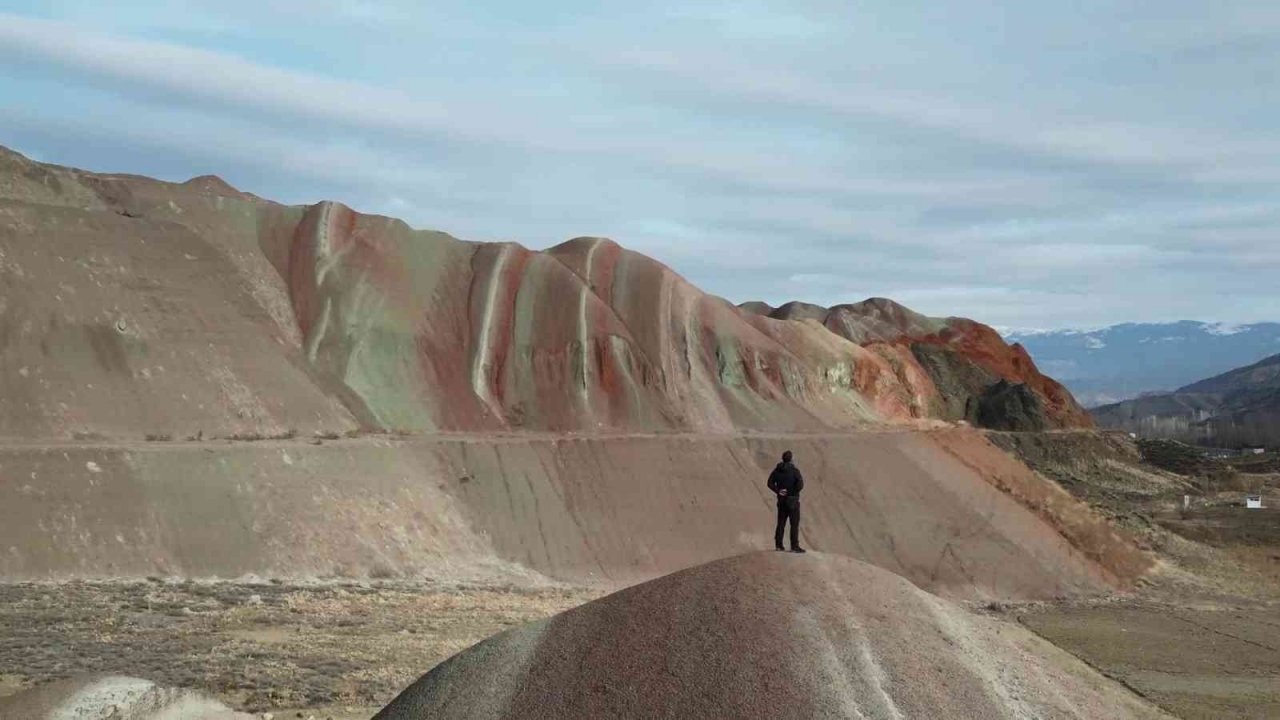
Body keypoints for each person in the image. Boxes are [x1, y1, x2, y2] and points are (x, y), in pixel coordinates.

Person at [767, 450, 805, 553]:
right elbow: (800, 485)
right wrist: (793, 492)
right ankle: (794, 546)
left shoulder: (777, 470)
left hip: (781, 500)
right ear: (791, 459)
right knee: (794, 524)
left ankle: (779, 545)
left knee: (781, 523)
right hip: (792, 500)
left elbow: (769, 483)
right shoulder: (794, 471)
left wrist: (778, 491)